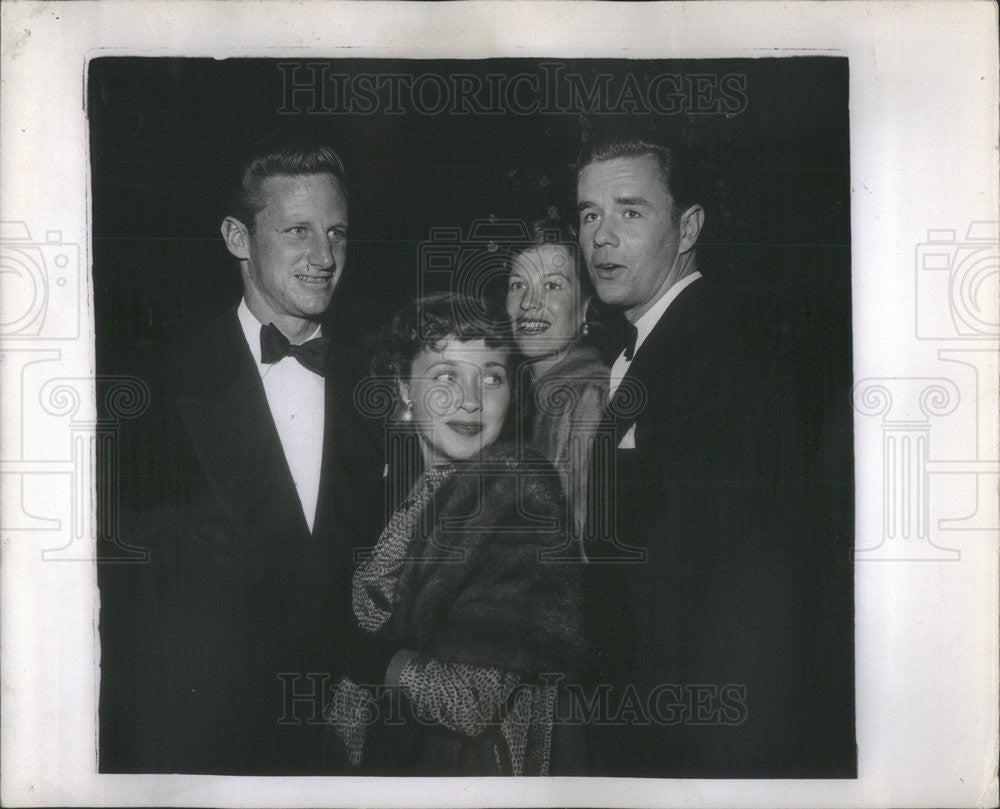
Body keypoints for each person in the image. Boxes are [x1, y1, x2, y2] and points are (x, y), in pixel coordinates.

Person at [98, 131, 385, 774]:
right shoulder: (151, 389)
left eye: (337, 233)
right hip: (203, 748)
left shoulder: (381, 384)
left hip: (343, 753)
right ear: (237, 239)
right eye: (297, 232)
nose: (323, 256)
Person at [576, 130, 850, 777]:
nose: (601, 237)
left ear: (689, 225)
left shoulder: (724, 361)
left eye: (630, 211)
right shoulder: (652, 345)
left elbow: (747, 602)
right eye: (589, 214)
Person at [325, 292, 584, 776]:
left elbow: (469, 700)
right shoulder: (405, 484)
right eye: (446, 376)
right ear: (403, 386)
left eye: (492, 377)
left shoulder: (517, 495)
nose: (470, 400)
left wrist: (364, 657)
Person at [504, 215, 610, 553]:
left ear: (585, 309)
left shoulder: (586, 399)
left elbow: (575, 551)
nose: (527, 303)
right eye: (518, 284)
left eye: (552, 286)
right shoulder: (515, 398)